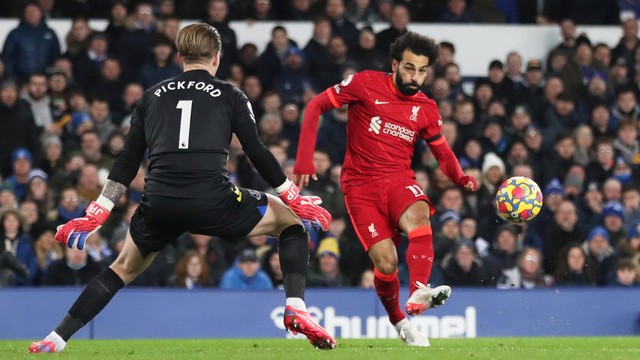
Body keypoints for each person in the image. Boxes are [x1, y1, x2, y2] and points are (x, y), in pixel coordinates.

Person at [29, 23, 335, 353]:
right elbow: (256, 149)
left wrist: (96, 212)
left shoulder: (150, 97)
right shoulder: (231, 95)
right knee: (290, 221)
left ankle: (55, 338)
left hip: (159, 202)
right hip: (212, 200)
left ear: (179, 57)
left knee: (121, 268)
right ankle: (296, 308)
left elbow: (128, 161)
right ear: (217, 57)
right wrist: (291, 195)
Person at [293, 32, 477, 347]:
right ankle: (400, 323)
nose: (415, 76)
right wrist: (304, 161)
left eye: (422, 70)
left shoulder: (426, 108)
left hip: (398, 179)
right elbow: (315, 106)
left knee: (420, 213)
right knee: (387, 263)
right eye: (409, 68)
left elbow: (442, 152)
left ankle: (419, 289)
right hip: (360, 186)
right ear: (394, 64)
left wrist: (460, 177)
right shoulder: (364, 84)